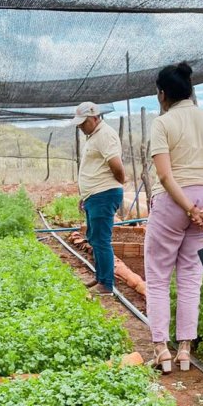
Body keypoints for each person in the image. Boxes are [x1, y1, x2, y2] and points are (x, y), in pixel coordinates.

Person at [145, 61, 203, 372]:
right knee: (191, 278)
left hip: (175, 203)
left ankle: (161, 350)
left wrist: (188, 208)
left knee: (158, 277)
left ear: (161, 94)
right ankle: (185, 349)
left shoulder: (163, 123)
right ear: (191, 90)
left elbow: (165, 175)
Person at [72, 101, 127, 293]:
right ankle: (100, 278)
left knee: (101, 240)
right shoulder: (93, 135)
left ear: (95, 117)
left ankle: (106, 284)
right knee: (94, 238)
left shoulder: (104, 135)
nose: (80, 126)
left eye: (83, 122)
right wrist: (85, 195)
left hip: (104, 194)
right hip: (95, 195)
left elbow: (117, 166)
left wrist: (119, 182)